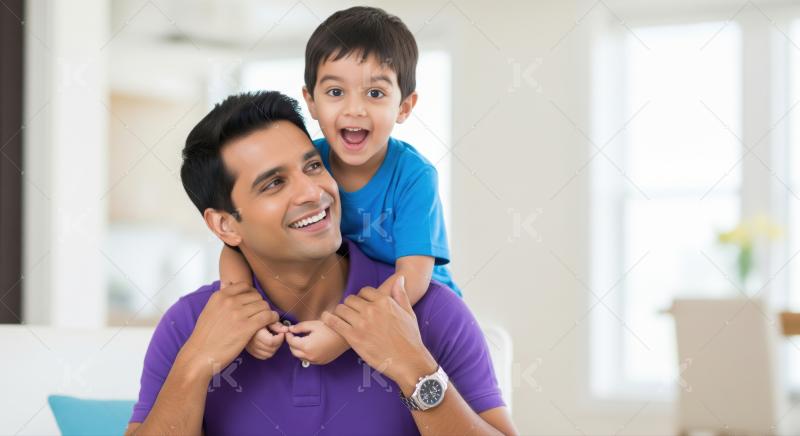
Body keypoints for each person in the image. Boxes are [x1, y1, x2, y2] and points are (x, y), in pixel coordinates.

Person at [125, 91, 516, 435]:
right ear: (225, 225)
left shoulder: (429, 311)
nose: (315, 191)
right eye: (274, 183)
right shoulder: (189, 325)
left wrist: (414, 369)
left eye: (313, 166)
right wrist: (194, 365)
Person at [219, 6, 461, 366]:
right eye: (335, 91)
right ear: (311, 102)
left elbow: (411, 278)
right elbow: (237, 245)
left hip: (417, 307)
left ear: (405, 107)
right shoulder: (306, 164)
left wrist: (345, 334)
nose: (355, 110)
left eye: (375, 94)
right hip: (348, 298)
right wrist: (242, 308)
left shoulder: (414, 176)